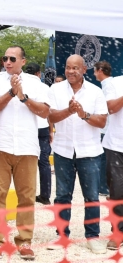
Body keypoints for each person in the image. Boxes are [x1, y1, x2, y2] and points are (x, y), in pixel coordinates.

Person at [0, 46, 49, 261]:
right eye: (5, 58)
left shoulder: (35, 82)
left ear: (23, 61)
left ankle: (25, 241)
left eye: (12, 58)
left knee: (27, 197)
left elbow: (44, 111)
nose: (8, 62)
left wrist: (23, 97)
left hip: (27, 147)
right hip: (0, 146)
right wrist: (11, 93)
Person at [47, 54, 107, 254]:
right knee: (62, 196)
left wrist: (84, 114)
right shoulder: (55, 89)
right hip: (63, 150)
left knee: (91, 196)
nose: (70, 71)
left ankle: (93, 236)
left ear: (84, 70)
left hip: (89, 151)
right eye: (67, 67)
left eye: (75, 68)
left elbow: (102, 122)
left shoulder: (96, 92)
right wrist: (69, 110)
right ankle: (61, 235)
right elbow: (51, 116)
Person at [25, 63, 54, 205]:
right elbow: (48, 111)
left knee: (25, 162)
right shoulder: (45, 88)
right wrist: (51, 129)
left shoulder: (21, 86)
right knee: (44, 163)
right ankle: (45, 195)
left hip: (27, 127)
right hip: (42, 126)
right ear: (39, 74)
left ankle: (26, 194)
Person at [100, 74, 123, 249]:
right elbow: (110, 108)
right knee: (117, 192)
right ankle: (118, 232)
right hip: (117, 145)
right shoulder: (115, 83)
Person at [94, 61, 113, 197]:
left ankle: (103, 187)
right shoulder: (108, 85)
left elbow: (106, 109)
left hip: (106, 128)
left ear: (100, 70)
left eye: (95, 71)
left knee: (103, 159)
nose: (94, 74)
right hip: (108, 128)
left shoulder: (107, 87)